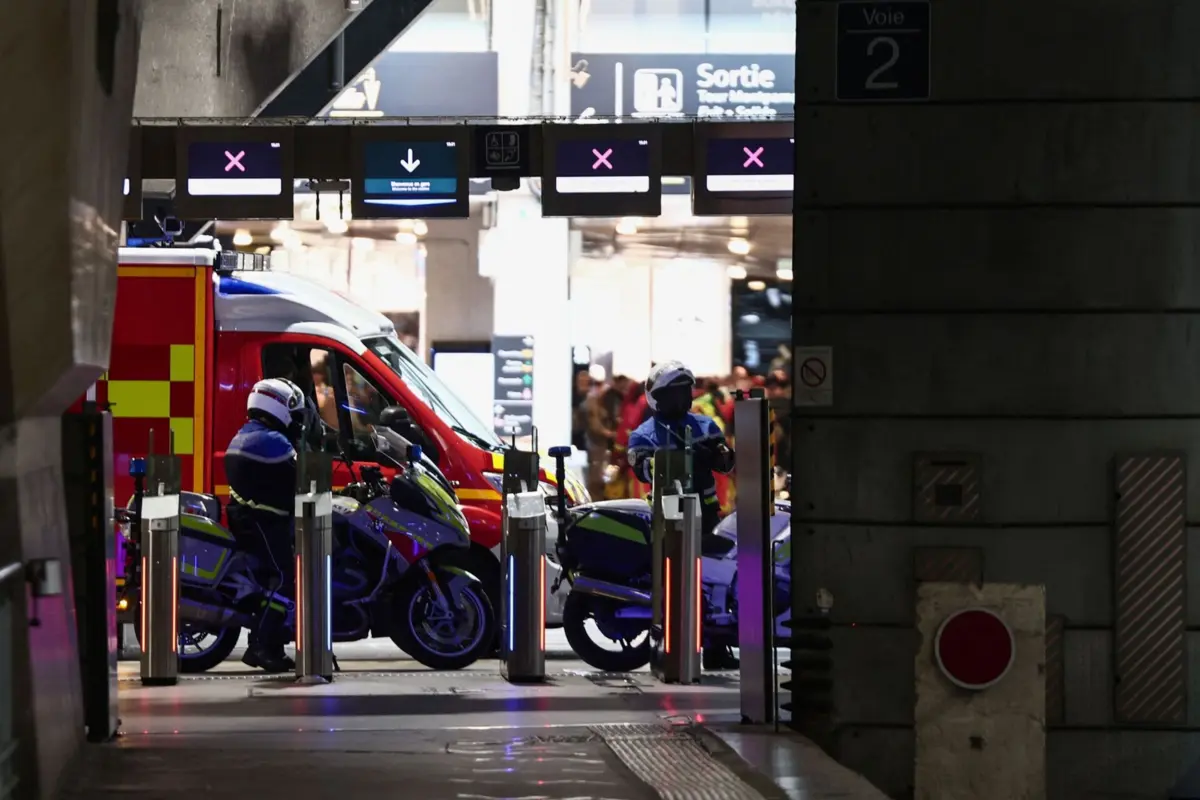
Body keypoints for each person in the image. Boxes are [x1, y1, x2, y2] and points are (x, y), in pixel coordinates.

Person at [626, 361, 739, 670]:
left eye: (685, 392)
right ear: (657, 397)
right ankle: (665, 644)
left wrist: (718, 455)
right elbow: (642, 468)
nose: (682, 399)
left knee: (716, 584)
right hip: (667, 519)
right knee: (668, 583)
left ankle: (716, 646)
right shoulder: (644, 434)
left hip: (708, 518)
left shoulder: (705, 425)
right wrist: (677, 459)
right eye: (674, 393)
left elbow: (728, 464)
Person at [224, 378, 307, 672]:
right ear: (278, 406)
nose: (296, 423)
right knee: (285, 578)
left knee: (276, 578)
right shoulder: (271, 441)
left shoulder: (249, 434)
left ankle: (270, 644)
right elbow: (300, 476)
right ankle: (261, 645)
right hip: (264, 522)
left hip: (252, 518)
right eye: (294, 414)